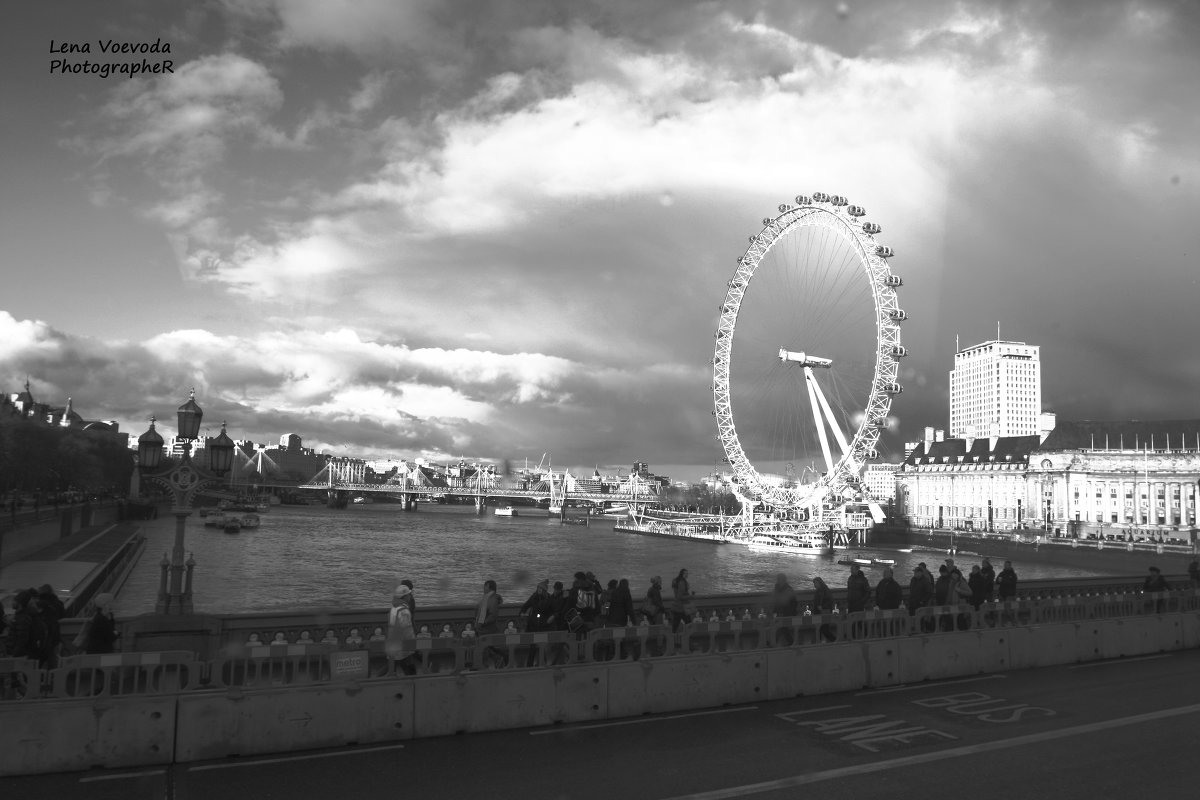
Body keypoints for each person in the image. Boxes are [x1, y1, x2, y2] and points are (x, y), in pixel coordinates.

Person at [385, 585, 416, 676]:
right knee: (409, 669)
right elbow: (407, 630)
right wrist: (412, 643)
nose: (410, 596)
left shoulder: (394, 608)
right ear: (405, 597)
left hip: (392, 641)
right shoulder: (404, 611)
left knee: (391, 666)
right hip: (403, 644)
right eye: (409, 595)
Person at [36, 583, 65, 667]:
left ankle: (38, 678)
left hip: (42, 637)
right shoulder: (58, 603)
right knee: (53, 660)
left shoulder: (39, 604)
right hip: (55, 635)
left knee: (38, 662)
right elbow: (62, 616)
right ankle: (52, 678)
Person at [811, 577, 835, 642]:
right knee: (820, 628)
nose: (814, 585)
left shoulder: (825, 590)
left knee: (823, 628)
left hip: (824, 612)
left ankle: (833, 639)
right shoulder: (818, 591)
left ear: (820, 583)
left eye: (815, 583)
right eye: (814, 583)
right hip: (819, 612)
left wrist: (823, 607)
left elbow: (830, 601)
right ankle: (818, 641)